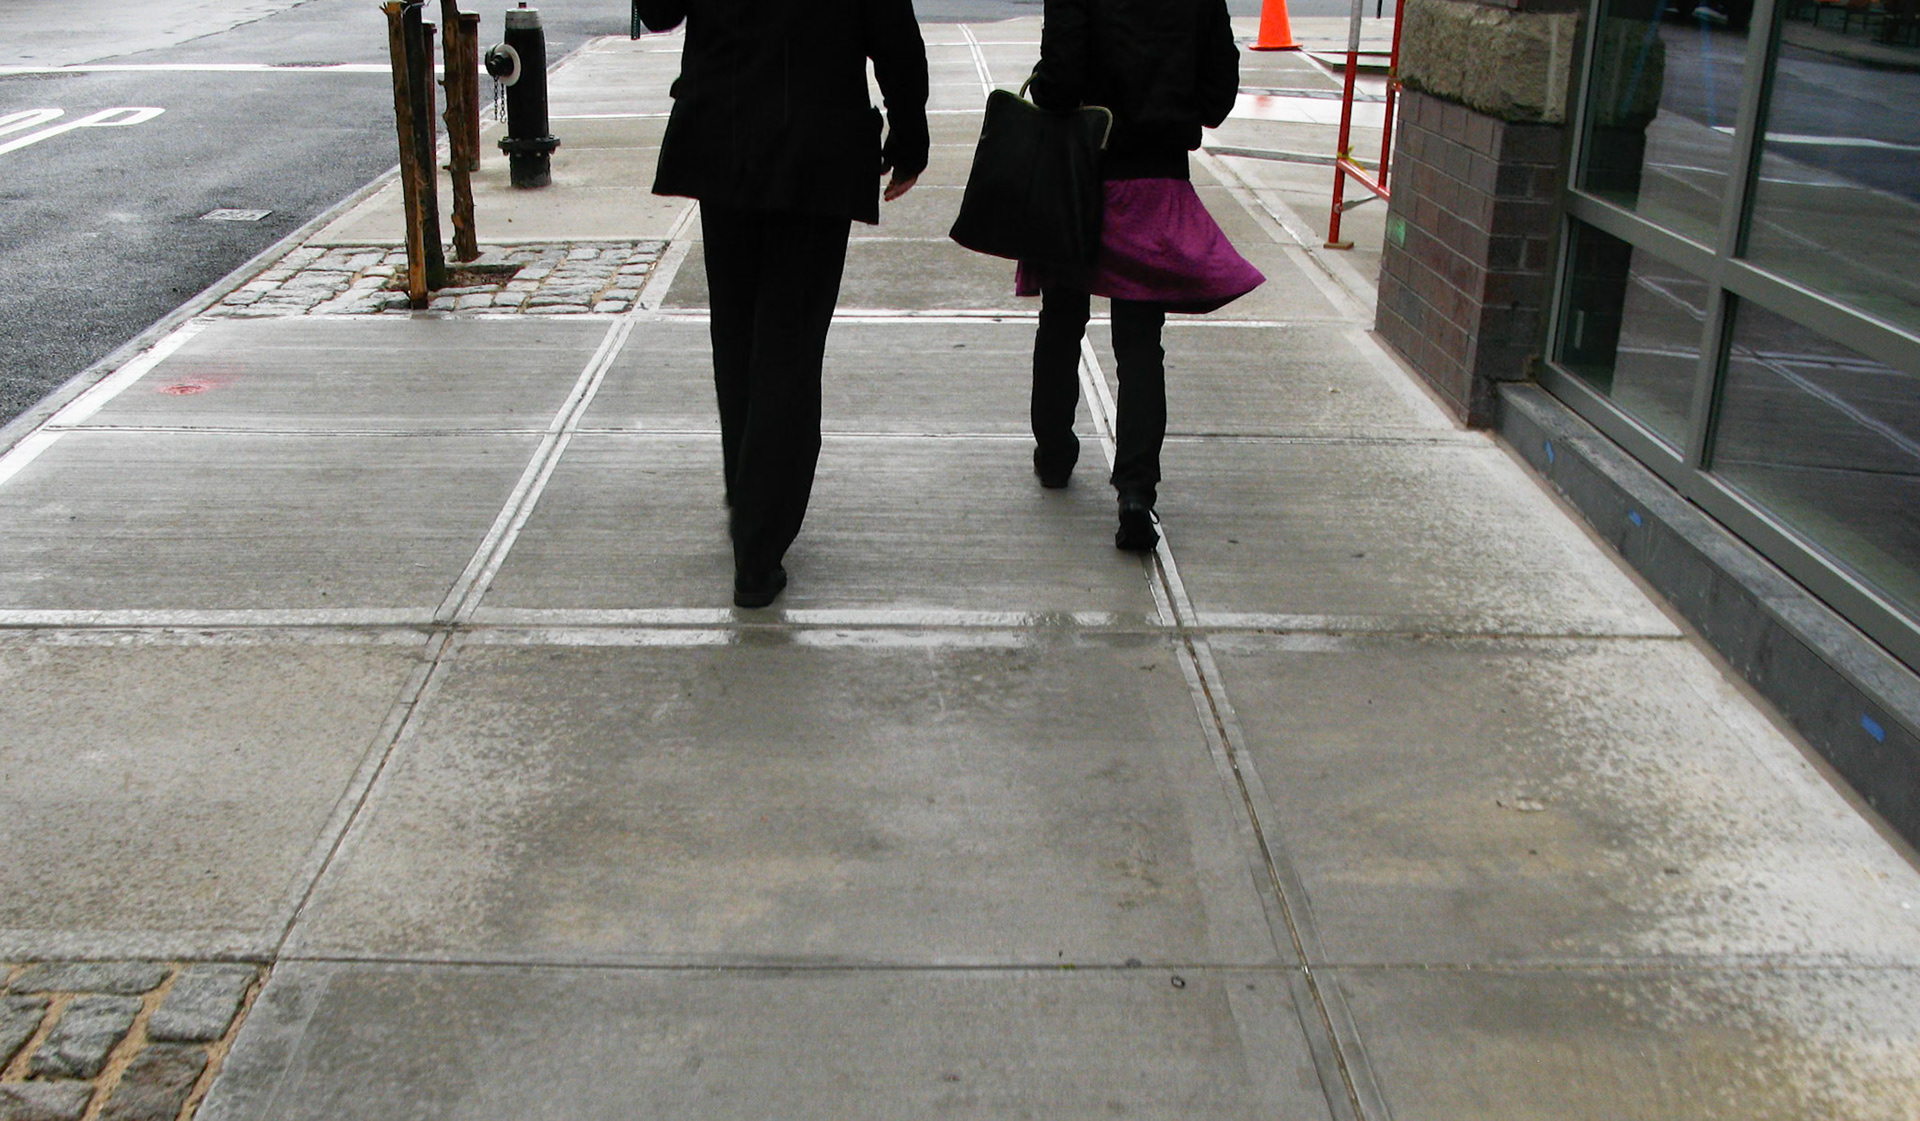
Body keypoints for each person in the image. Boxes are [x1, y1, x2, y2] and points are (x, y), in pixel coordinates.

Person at [636, 0, 930, 607]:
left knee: (738, 334)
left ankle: (750, 496)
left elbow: (659, 10)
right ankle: (760, 536)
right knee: (788, 344)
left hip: (726, 129)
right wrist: (909, 127)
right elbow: (891, 29)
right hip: (816, 142)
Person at [1019, 0, 1263, 551]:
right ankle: (1135, 493)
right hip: (1155, 177)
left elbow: (1056, 85)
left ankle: (1054, 454)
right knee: (1139, 343)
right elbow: (1217, 97)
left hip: (1080, 175)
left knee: (1060, 320)